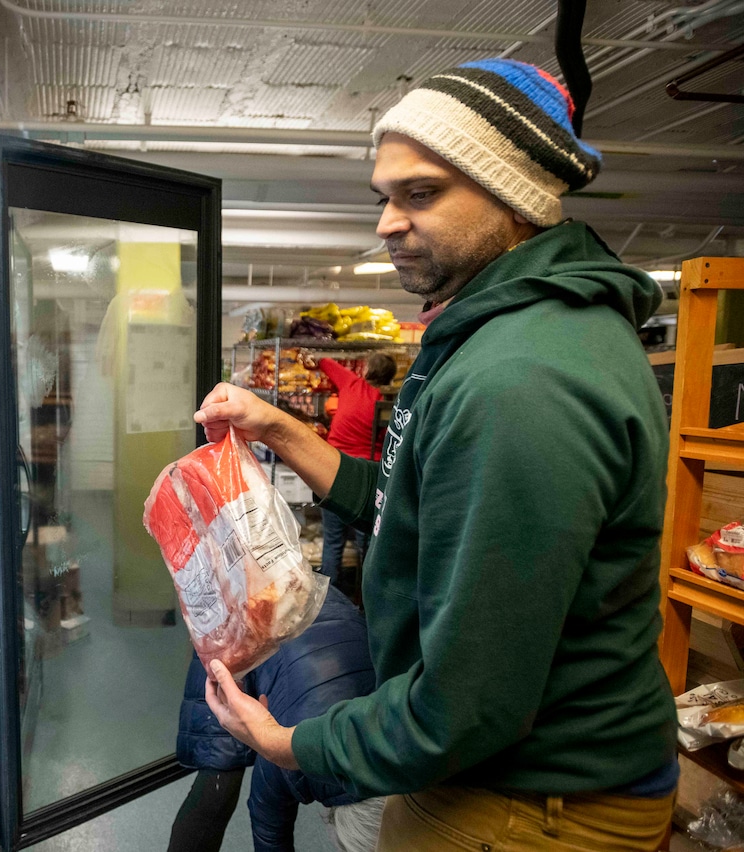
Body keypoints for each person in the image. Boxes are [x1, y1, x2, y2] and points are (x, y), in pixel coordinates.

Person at [193, 58, 678, 850]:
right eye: (386, 196)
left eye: (421, 194)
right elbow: (407, 506)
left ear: (514, 196)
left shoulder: (519, 379)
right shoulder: (503, 336)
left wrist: (289, 743)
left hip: (527, 806)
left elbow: (469, 702)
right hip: (517, 785)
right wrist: (276, 426)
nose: (387, 222)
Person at [167, 586, 383, 852]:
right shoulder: (296, 753)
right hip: (235, 623)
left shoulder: (410, 751)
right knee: (218, 784)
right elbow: (268, 821)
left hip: (314, 597)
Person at [317, 353, 398, 595]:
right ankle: (365, 600)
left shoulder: (352, 384)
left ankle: (329, 601)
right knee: (367, 544)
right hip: (368, 477)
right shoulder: (389, 401)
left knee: (333, 542)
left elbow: (325, 362)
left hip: (334, 469)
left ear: (367, 370)